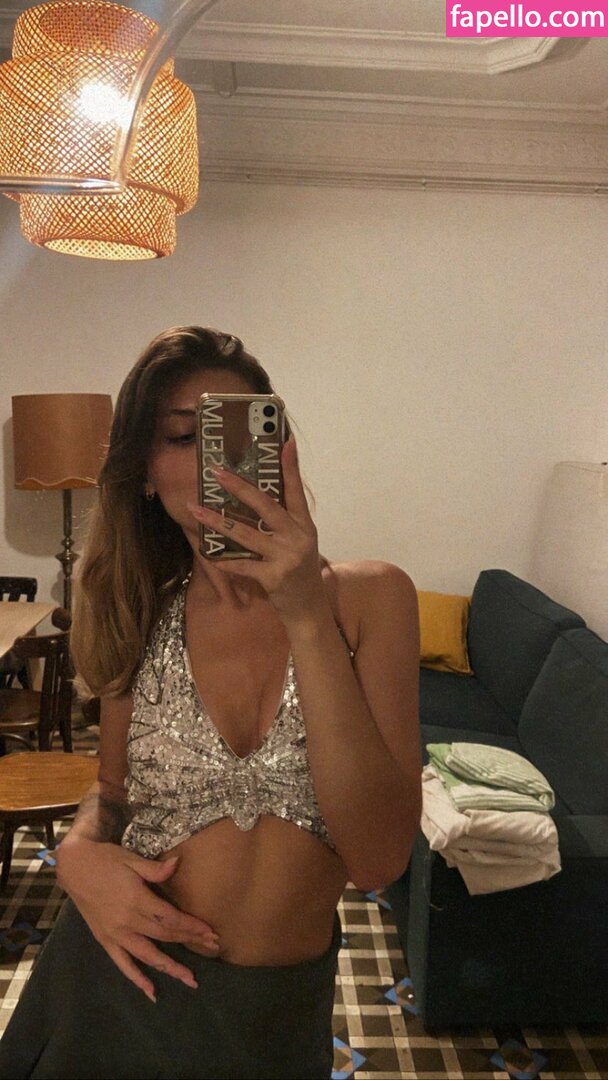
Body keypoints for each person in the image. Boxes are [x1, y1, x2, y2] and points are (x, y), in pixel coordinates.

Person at [0, 326, 421, 1080]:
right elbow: (111, 792)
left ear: (278, 451)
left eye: (235, 435)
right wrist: (78, 856)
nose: (214, 465)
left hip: (272, 1020)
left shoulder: (371, 600)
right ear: (144, 471)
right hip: (117, 986)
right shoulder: (137, 610)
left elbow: (380, 859)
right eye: (182, 437)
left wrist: (304, 611)